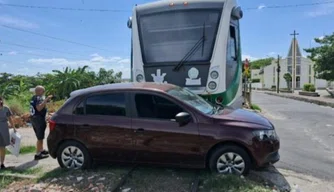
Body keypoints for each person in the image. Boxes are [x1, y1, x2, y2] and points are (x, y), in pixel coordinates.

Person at [30, 86, 52, 160]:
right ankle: (38, 154)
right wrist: (46, 100)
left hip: (34, 118)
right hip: (38, 119)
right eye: (43, 91)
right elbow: (39, 108)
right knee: (40, 137)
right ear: (39, 91)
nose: (44, 92)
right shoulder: (39, 98)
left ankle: (41, 150)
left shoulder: (34, 98)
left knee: (40, 136)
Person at [0, 96, 15, 169]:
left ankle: (2, 163)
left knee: (2, 147)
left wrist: (14, 127)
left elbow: (10, 118)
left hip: (3, 128)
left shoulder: (5, 108)